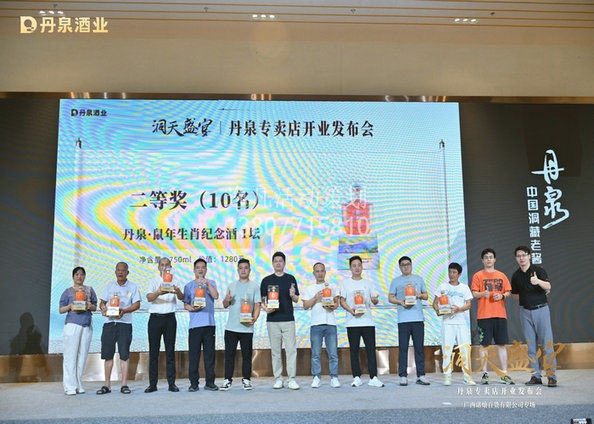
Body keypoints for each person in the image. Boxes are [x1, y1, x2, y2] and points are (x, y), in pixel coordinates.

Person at [510, 246, 557, 387]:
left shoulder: (538, 270)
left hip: (541, 310)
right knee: (531, 346)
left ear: (529, 256)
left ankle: (551, 376)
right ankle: (536, 376)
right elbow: (515, 295)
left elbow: (548, 286)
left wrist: (538, 282)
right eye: (518, 256)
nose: (521, 258)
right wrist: (526, 297)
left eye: (524, 255)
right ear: (516, 258)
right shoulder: (516, 276)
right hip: (525, 311)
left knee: (547, 344)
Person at [470, 248, 515, 385]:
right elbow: (474, 293)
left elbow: (508, 292)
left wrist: (502, 296)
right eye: (486, 257)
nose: (489, 259)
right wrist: (483, 294)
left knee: (502, 344)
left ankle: (504, 373)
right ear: (482, 260)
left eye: (491, 257)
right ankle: (485, 374)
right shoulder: (478, 275)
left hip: (500, 315)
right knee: (484, 345)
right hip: (484, 315)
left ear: (494, 259)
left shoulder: (502, 275)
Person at [96, 262, 141, 395]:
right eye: (118, 270)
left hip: (124, 324)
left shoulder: (133, 286)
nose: (120, 272)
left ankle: (124, 384)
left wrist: (124, 311)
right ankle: (107, 385)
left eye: (123, 270)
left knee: (124, 354)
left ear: (128, 272)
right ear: (115, 272)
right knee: (107, 355)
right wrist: (103, 308)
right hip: (109, 323)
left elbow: (137, 304)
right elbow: (102, 302)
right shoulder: (110, 285)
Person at [339, 255, 384, 388]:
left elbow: (374, 300)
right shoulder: (345, 283)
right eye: (354, 265)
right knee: (354, 350)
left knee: (371, 350)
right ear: (350, 268)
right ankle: (356, 377)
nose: (357, 268)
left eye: (359, 265)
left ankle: (373, 377)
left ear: (362, 267)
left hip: (367, 321)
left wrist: (375, 300)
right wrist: (350, 310)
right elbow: (342, 300)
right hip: (352, 322)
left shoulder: (368, 283)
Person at [260, 251, 300, 390]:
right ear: (272, 263)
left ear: (284, 263)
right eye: (275, 261)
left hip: (288, 319)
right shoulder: (266, 280)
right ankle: (278, 378)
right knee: (275, 351)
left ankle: (292, 379)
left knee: (291, 350)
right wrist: (266, 309)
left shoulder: (290, 278)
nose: (278, 263)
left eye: (280, 261)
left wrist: (293, 295)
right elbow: (262, 301)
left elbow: (296, 299)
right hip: (272, 320)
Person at [387, 256, 430, 386]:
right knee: (403, 348)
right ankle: (403, 376)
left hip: (417, 318)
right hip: (403, 319)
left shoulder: (418, 279)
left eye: (408, 264)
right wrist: (400, 302)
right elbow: (390, 297)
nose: (406, 267)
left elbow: (426, 296)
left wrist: (419, 295)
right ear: (400, 267)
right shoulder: (396, 281)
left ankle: (421, 375)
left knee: (419, 348)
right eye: (403, 265)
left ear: (411, 265)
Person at [220, 258, 261, 391]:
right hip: (231, 327)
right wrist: (227, 300)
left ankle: (246, 380)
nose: (243, 270)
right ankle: (227, 380)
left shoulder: (254, 286)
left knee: (247, 356)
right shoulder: (231, 285)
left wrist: (254, 318)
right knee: (229, 356)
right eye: (241, 268)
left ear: (249, 270)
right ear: (237, 270)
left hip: (247, 327)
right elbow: (225, 304)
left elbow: (257, 305)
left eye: (246, 268)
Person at [144, 257, 184, 393]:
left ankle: (172, 384)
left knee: (170, 352)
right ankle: (152, 384)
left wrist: (177, 291)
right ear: (158, 267)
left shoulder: (175, 280)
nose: (165, 267)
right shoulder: (154, 281)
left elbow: (181, 297)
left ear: (170, 267)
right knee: (153, 352)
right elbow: (149, 298)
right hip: (155, 319)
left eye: (167, 265)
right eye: (162, 265)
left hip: (170, 319)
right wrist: (158, 292)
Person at [433, 262, 476, 386]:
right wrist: (438, 311)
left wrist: (459, 309)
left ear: (459, 274)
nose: (451, 275)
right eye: (450, 272)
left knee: (464, 349)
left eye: (454, 272)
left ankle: (467, 376)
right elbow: (435, 303)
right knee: (447, 349)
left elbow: (468, 304)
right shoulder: (443, 286)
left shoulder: (464, 288)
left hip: (461, 322)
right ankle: (447, 376)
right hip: (447, 322)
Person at [59, 266, 98, 395]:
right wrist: (70, 306)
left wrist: (90, 306)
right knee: (70, 356)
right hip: (72, 325)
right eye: (77, 274)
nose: (79, 277)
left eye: (81, 274)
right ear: (73, 276)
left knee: (82, 356)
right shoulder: (68, 291)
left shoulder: (90, 290)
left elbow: (95, 307)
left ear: (84, 276)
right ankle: (70, 386)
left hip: (86, 325)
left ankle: (78, 384)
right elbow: (61, 309)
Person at [183, 258, 220, 392]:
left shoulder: (211, 283)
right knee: (194, 356)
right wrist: (191, 308)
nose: (200, 270)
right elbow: (186, 304)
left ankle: (210, 382)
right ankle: (194, 383)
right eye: (198, 267)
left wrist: (207, 284)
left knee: (209, 356)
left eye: (203, 267)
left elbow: (216, 296)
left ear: (206, 270)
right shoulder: (189, 286)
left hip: (209, 324)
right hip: (195, 325)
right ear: (194, 270)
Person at [302, 262, 341, 389]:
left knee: (333, 353)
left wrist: (332, 306)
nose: (320, 273)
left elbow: (336, 304)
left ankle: (334, 377)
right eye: (317, 271)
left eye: (322, 271)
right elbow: (305, 306)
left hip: (331, 323)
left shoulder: (332, 286)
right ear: (314, 273)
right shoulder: (310, 288)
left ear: (325, 272)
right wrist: (315, 298)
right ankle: (316, 377)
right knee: (315, 354)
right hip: (316, 324)